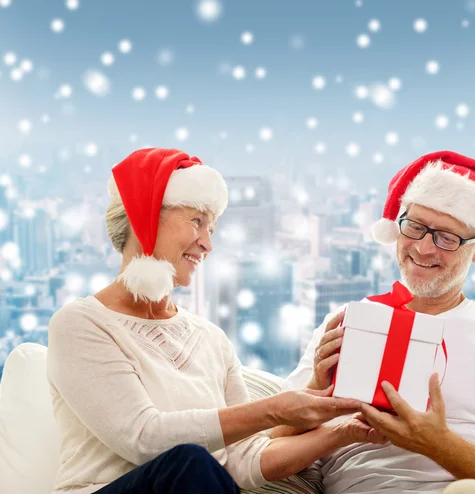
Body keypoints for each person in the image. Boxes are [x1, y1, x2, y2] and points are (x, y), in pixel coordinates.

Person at [47, 148, 386, 494]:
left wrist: (345, 431)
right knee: (190, 464)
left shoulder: (211, 338)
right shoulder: (80, 324)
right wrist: (273, 410)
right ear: (145, 217)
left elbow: (242, 462)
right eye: (196, 221)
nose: (208, 244)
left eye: (212, 228)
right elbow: (144, 439)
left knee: (200, 468)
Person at [281, 151, 475, 494]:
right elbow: (266, 446)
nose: (424, 248)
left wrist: (437, 443)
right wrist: (315, 388)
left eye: (446, 237)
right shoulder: (345, 323)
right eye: (415, 227)